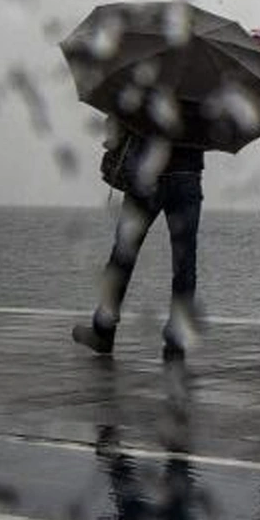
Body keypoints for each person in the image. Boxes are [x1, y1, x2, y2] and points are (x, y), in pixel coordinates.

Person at [73, 117, 205, 360]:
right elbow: (211, 132)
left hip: (147, 176)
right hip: (187, 177)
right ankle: (177, 338)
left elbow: (121, 121)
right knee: (185, 262)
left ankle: (104, 329)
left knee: (123, 255)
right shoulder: (206, 87)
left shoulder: (150, 81)